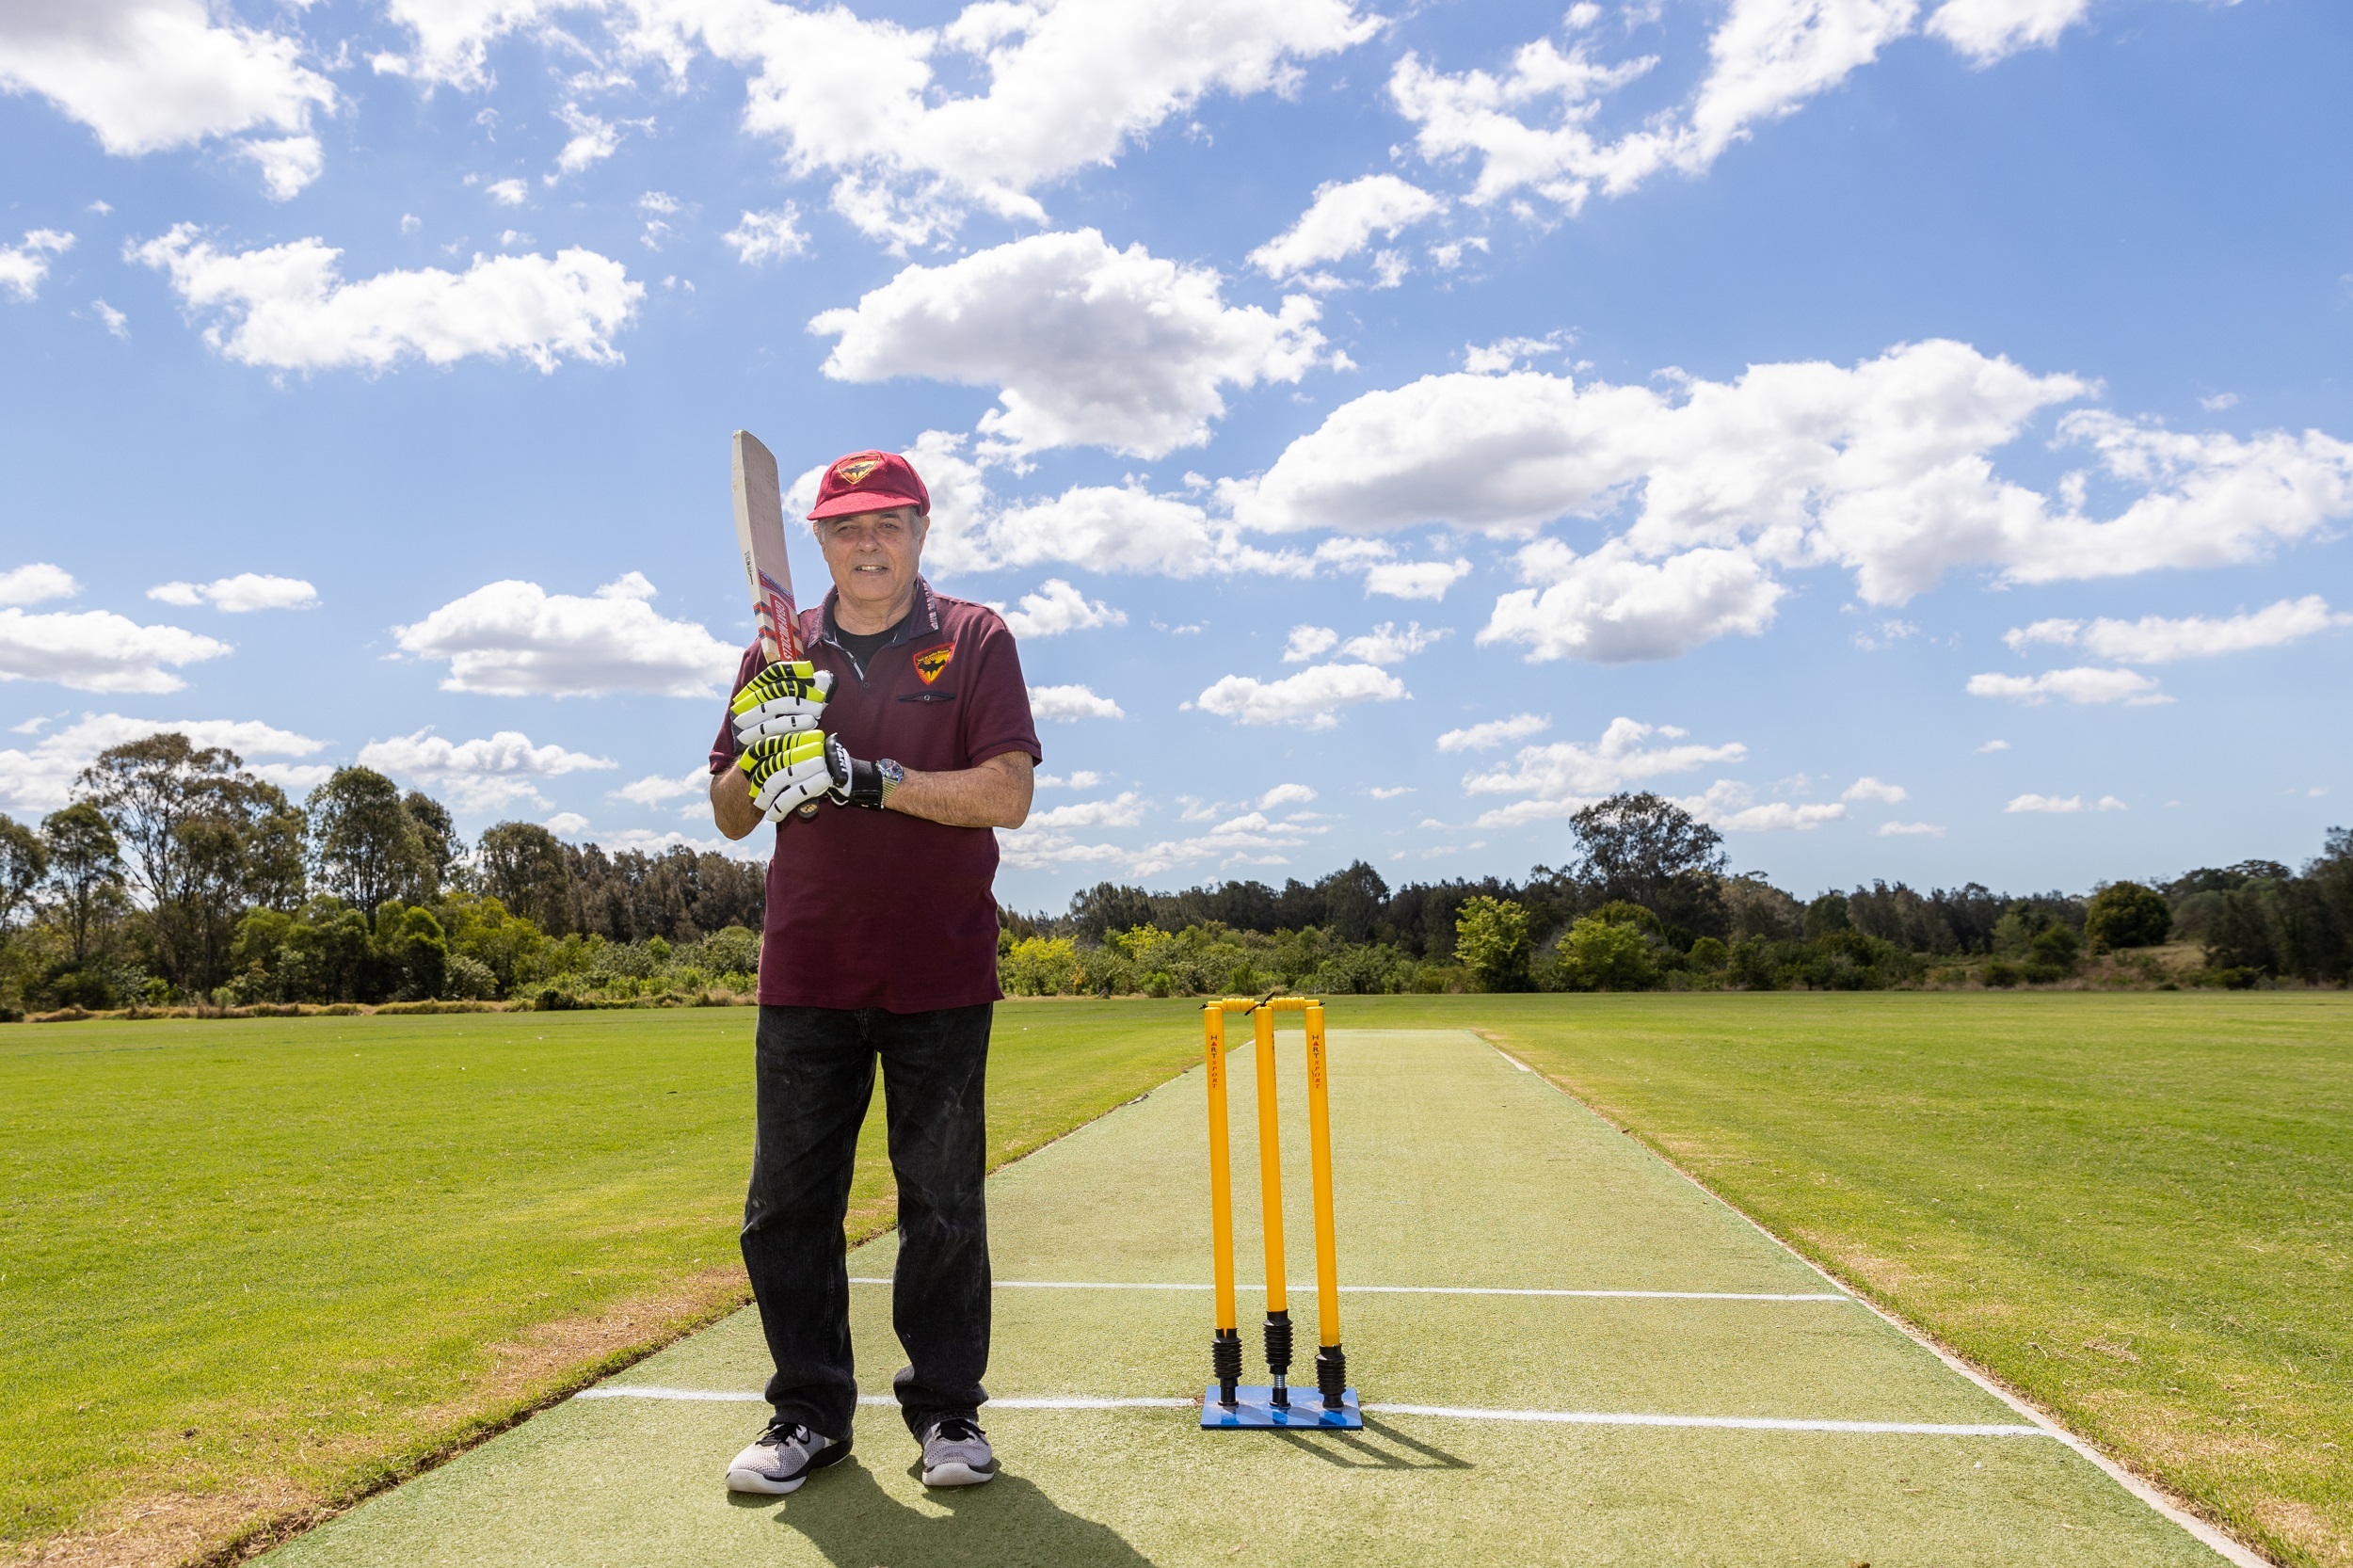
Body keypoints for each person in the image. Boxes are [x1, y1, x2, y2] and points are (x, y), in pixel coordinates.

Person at [706, 448, 1038, 1496]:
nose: (868, 543)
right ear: (817, 541)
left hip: (938, 965)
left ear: (920, 531)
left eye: (887, 523)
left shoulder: (974, 637)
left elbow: (1006, 791)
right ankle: (806, 1414)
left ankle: (947, 1414)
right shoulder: (778, 652)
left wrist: (865, 775)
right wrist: (766, 753)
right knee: (785, 1207)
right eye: (846, 527)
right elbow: (725, 810)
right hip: (807, 965)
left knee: (940, 1200)